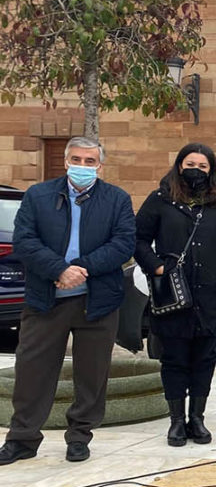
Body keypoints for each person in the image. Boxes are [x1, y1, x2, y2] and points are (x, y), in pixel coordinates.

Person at [0, 136, 135, 465]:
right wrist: (59, 269)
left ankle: (79, 436)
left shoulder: (116, 199)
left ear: (100, 166)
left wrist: (81, 270)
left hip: (97, 302)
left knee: (92, 374)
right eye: (77, 159)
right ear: (65, 161)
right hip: (46, 299)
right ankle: (23, 438)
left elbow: (124, 244)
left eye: (91, 162)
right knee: (32, 371)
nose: (83, 167)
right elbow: (24, 240)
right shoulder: (38, 196)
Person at [134, 143, 216, 448]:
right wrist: (155, 267)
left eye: (203, 166)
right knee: (173, 359)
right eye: (190, 164)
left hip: (211, 296)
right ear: (179, 165)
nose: (196, 170)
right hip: (172, 295)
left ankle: (197, 418)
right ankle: (176, 421)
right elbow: (139, 238)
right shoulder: (160, 200)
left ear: (211, 171)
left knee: (205, 358)